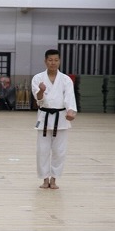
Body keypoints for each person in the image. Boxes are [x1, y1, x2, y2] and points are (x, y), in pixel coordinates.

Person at [31, 49, 77, 189]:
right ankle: (45, 179)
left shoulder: (65, 79)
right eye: (50, 60)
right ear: (45, 61)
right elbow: (37, 99)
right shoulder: (38, 78)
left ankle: (54, 179)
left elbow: (69, 96)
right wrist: (41, 90)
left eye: (56, 60)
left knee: (59, 151)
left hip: (61, 118)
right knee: (42, 150)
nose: (53, 63)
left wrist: (71, 111)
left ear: (59, 61)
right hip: (44, 117)